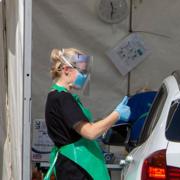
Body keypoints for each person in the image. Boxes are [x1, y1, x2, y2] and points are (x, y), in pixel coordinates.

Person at [44, 48, 131, 180]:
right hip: (76, 166)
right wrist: (116, 115)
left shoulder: (54, 96)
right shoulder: (63, 98)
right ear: (66, 70)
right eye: (82, 71)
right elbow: (90, 133)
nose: (84, 76)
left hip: (70, 164)